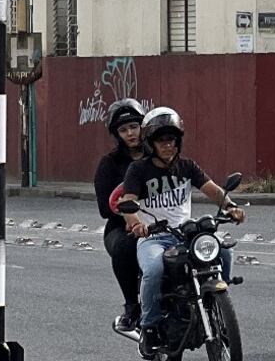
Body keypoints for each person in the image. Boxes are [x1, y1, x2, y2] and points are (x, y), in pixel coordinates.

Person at [118, 107, 245, 357]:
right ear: (151, 143)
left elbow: (212, 190)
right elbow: (126, 203)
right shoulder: (139, 170)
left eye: (172, 140)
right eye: (162, 140)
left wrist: (230, 206)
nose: (168, 145)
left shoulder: (187, 166)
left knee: (225, 253)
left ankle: (217, 307)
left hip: (186, 234)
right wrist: (136, 224)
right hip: (154, 236)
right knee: (153, 270)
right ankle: (150, 326)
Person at [94, 98, 151, 334]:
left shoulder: (160, 155)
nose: (130, 133)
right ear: (117, 134)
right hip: (121, 227)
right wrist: (130, 217)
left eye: (134, 127)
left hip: (161, 222)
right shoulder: (109, 163)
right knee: (125, 248)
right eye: (123, 129)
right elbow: (105, 209)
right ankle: (132, 307)